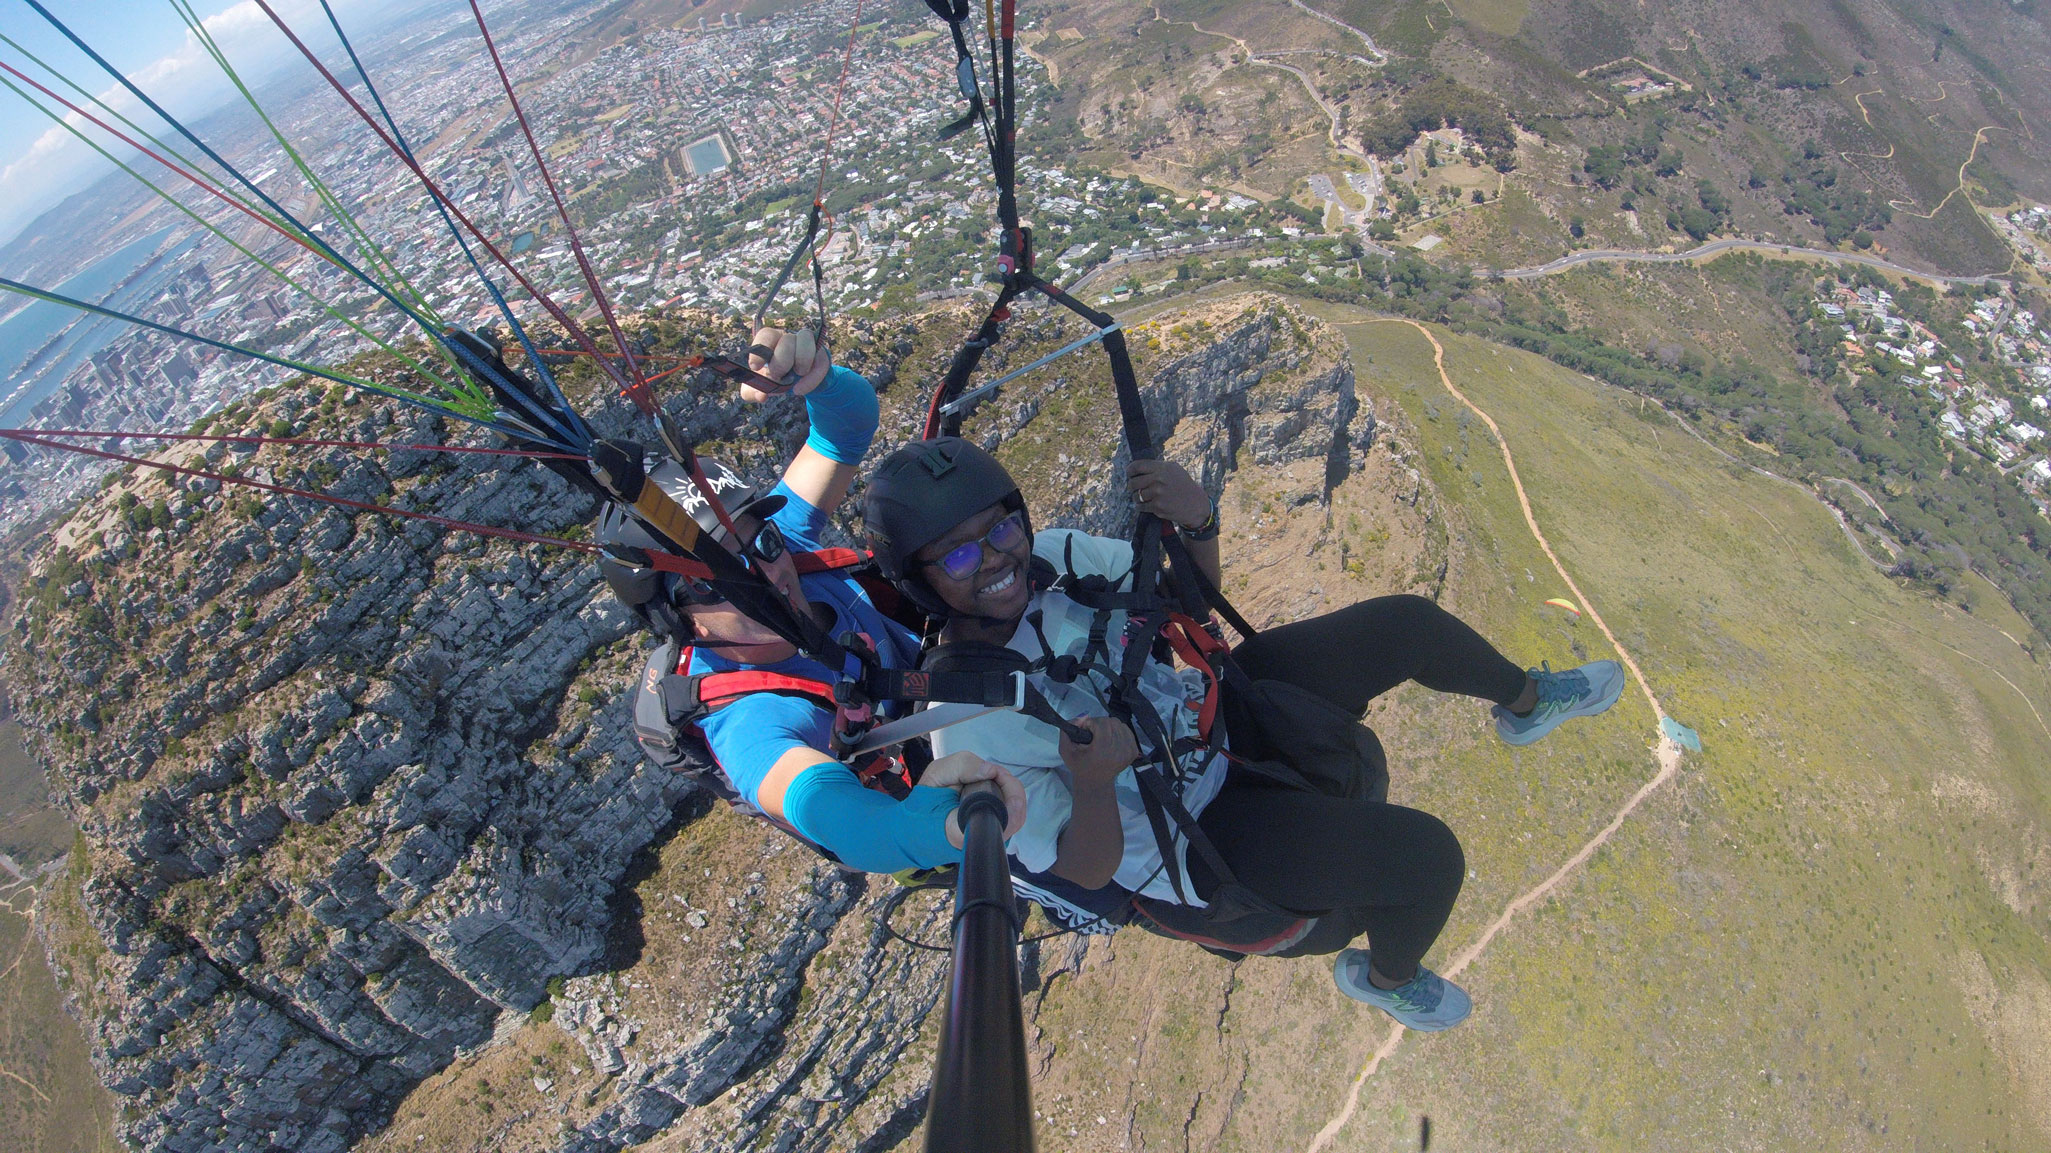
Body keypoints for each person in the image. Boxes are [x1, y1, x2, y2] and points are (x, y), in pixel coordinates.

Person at [861, 437, 1625, 1031]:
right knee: (1426, 857)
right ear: (918, 579)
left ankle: (1526, 701)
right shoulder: (967, 721)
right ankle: (1388, 980)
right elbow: (1087, 873)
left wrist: (1198, 519)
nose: (996, 557)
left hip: (1212, 714)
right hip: (1188, 832)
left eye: (1003, 527)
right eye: (961, 554)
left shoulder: (1058, 557)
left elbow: (1189, 599)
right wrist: (1093, 783)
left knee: (1406, 625)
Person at [600, 330, 1024, 873]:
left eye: (764, 542)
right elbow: (835, 813)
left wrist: (818, 378)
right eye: (720, 579)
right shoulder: (748, 720)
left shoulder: (790, 546)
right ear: (676, 616)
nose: (766, 573)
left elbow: (844, 429)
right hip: (935, 768)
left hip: (957, 677)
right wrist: (940, 828)